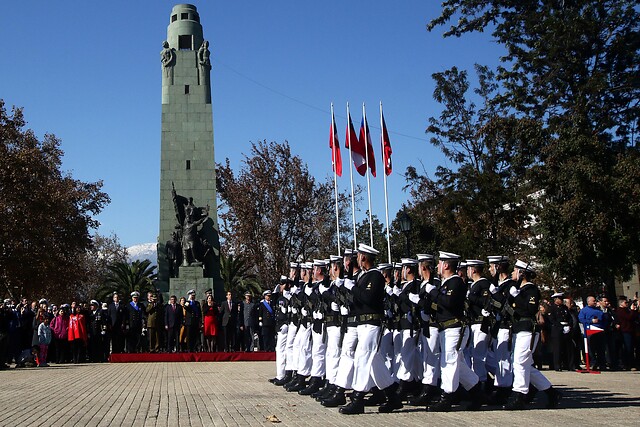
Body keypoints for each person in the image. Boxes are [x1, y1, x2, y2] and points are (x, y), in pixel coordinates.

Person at [337, 243, 402, 414]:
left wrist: (353, 288)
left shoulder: (376, 277)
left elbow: (368, 298)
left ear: (364, 257)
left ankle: (358, 399)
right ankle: (393, 397)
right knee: (375, 362)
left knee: (362, 357)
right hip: (361, 323)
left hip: (372, 323)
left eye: (358, 255)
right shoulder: (363, 276)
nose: (357, 258)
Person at [426, 252, 482, 412]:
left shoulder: (455, 282)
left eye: (439, 263)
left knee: (449, 362)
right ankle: (477, 391)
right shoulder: (446, 283)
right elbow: (441, 306)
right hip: (446, 328)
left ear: (445, 265)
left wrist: (434, 293)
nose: (437, 266)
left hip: (455, 328)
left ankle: (447, 397)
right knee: (457, 363)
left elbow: (448, 302)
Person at [503, 260, 559, 410]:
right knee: (524, 364)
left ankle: (519, 395)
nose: (512, 273)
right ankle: (551, 392)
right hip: (517, 328)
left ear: (522, 273)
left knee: (520, 362)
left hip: (528, 329)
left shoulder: (531, 290)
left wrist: (517, 297)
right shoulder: (517, 288)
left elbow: (530, 308)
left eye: (515, 270)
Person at [464, 259, 492, 390]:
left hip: (481, 322)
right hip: (473, 322)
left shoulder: (483, 283)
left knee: (479, 356)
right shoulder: (474, 285)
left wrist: (471, 297)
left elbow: (486, 301)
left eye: (469, 268)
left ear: (474, 270)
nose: (467, 271)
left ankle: (482, 383)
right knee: (474, 354)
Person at [578, 295, 607, 370]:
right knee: (591, 348)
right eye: (593, 301)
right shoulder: (584, 310)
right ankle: (593, 363)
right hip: (590, 332)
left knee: (600, 348)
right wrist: (591, 321)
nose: (595, 302)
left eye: (595, 301)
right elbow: (581, 319)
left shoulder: (599, 310)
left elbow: (604, 320)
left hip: (600, 332)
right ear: (588, 302)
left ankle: (602, 364)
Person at [548, 292, 574, 371]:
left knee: (568, 348)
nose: (561, 300)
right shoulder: (552, 308)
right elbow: (552, 320)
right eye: (560, 299)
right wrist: (561, 327)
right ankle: (557, 366)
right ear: (555, 299)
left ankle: (569, 365)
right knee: (557, 349)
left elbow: (569, 318)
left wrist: (569, 325)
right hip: (557, 330)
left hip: (566, 329)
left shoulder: (564, 308)